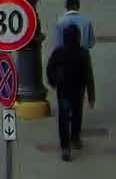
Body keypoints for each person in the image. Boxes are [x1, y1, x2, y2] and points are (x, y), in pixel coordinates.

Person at [45, 22, 97, 160]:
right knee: (77, 114)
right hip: (78, 90)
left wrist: (53, 82)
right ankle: (75, 138)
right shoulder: (83, 53)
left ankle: (65, 147)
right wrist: (91, 96)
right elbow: (88, 75)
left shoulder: (58, 52)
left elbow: (50, 68)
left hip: (63, 89)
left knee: (63, 117)